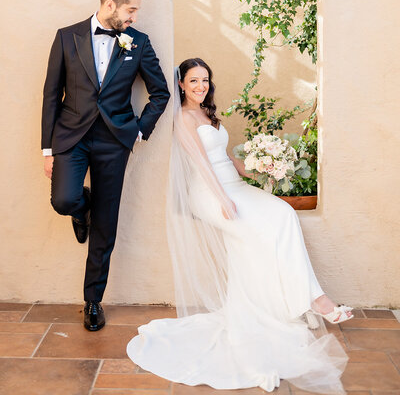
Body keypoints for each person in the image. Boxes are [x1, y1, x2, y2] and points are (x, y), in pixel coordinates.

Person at [127, 58, 352, 394]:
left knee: (283, 215)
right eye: (193, 81)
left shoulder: (208, 114)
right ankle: (316, 300)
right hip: (209, 193)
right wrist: (222, 199)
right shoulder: (183, 118)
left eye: (205, 80)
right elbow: (203, 164)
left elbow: (228, 159)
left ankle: (283, 303)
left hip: (235, 187)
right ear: (182, 85)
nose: (200, 86)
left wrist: (265, 167)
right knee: (261, 229)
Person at [41, 0, 170, 331]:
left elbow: (161, 93)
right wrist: (47, 148)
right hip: (71, 138)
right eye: (130, 10)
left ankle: (93, 300)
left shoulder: (138, 42)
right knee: (64, 200)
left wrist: (140, 130)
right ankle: (80, 208)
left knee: (107, 221)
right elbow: (51, 95)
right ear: (110, 5)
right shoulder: (67, 37)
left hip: (115, 141)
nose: (134, 18)